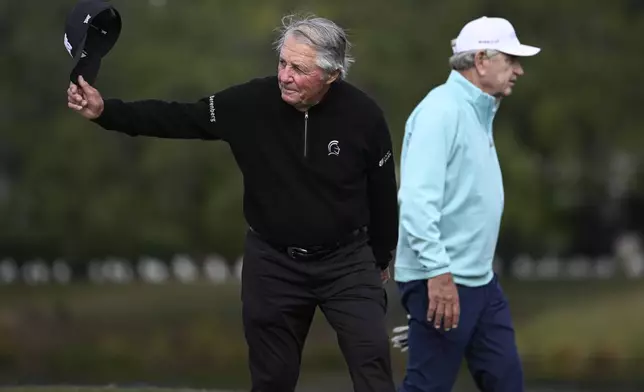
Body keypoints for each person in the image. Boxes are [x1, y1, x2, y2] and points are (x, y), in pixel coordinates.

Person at [67, 14, 399, 392]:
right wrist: (106, 111)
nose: (285, 76)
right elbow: (179, 117)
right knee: (272, 379)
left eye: (299, 69)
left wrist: (381, 255)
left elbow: (383, 190)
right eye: (282, 63)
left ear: (332, 75)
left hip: (346, 262)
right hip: (274, 264)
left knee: (372, 363)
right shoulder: (250, 103)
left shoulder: (365, 116)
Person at [391, 16, 541, 392]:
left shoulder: (478, 111)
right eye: (511, 60)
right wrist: (438, 276)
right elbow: (415, 201)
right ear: (481, 61)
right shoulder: (440, 112)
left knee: (507, 382)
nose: (518, 70)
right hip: (442, 280)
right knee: (428, 387)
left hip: (480, 281)